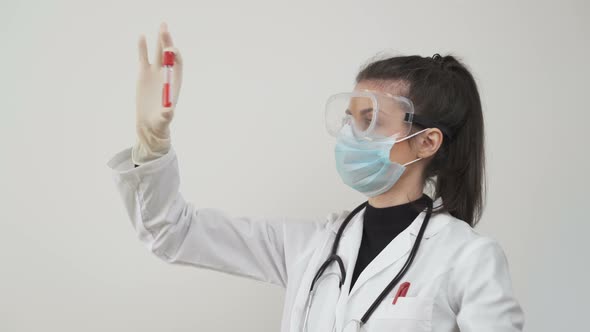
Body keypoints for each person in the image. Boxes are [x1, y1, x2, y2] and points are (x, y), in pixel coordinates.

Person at [107, 22, 525, 332]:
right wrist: (152, 144)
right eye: (350, 118)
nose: (350, 134)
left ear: (427, 142)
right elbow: (174, 235)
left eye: (370, 119)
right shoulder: (311, 246)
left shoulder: (468, 259)